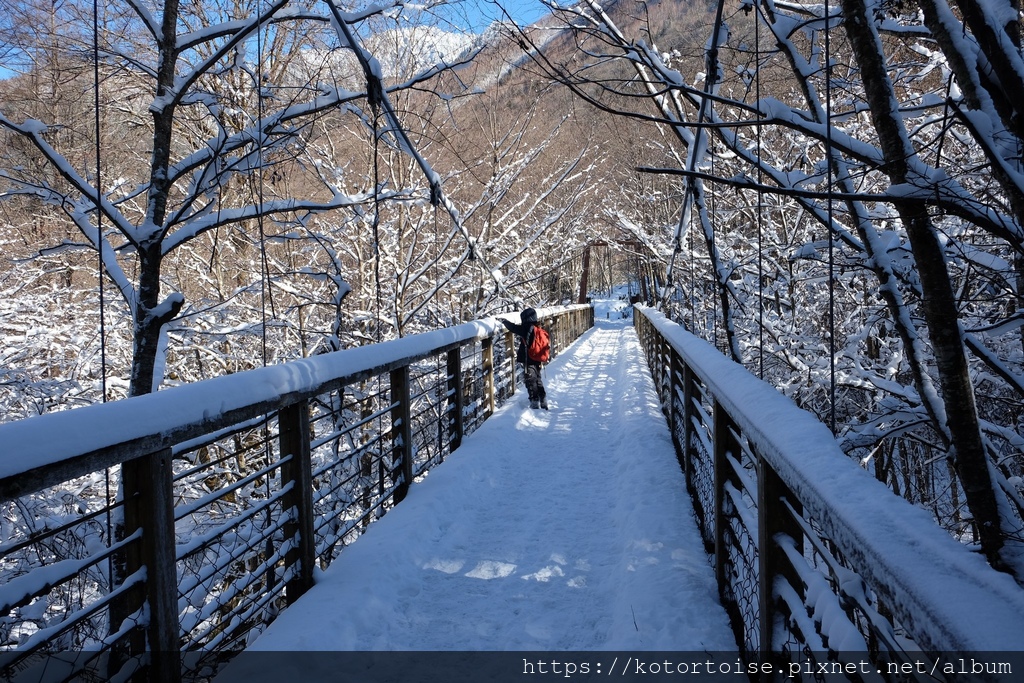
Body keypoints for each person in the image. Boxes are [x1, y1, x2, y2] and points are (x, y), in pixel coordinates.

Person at [498, 307, 548, 409]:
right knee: (538, 379)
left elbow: (513, 328)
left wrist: (504, 321)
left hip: (529, 359)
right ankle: (543, 399)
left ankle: (534, 403)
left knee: (530, 380)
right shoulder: (537, 327)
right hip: (537, 359)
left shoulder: (526, 328)